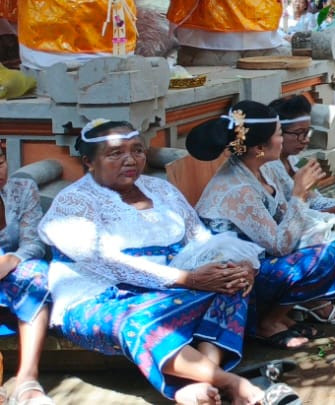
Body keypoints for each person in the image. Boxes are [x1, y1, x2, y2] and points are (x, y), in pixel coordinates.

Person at [43, 120, 270, 405]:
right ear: (89, 161)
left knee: (232, 286)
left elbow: (201, 238)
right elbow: (109, 262)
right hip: (102, 295)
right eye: (115, 153)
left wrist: (238, 266)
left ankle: (200, 377)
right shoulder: (73, 204)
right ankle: (230, 382)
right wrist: (189, 279)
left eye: (137, 150)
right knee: (139, 323)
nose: (131, 160)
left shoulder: (161, 191)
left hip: (174, 286)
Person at [189, 102, 335, 351]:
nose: (282, 141)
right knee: (325, 253)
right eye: (280, 134)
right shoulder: (238, 189)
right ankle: (266, 322)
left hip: (265, 253)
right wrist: (300, 194)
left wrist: (325, 206)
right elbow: (280, 245)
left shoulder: (267, 166)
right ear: (259, 147)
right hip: (238, 273)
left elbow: (285, 214)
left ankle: (283, 314)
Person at [267, 95, 335, 278]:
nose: (305, 140)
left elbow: (315, 200)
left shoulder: (294, 160)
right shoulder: (268, 169)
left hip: (306, 220)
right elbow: (285, 220)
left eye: (308, 132)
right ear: (277, 134)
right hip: (287, 233)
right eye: (298, 133)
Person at [0, 150, 55, 405]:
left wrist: (11, 261)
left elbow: (34, 243)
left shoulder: (22, 189)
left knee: (37, 274)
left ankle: (27, 380)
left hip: (11, 268)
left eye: (0, 163)